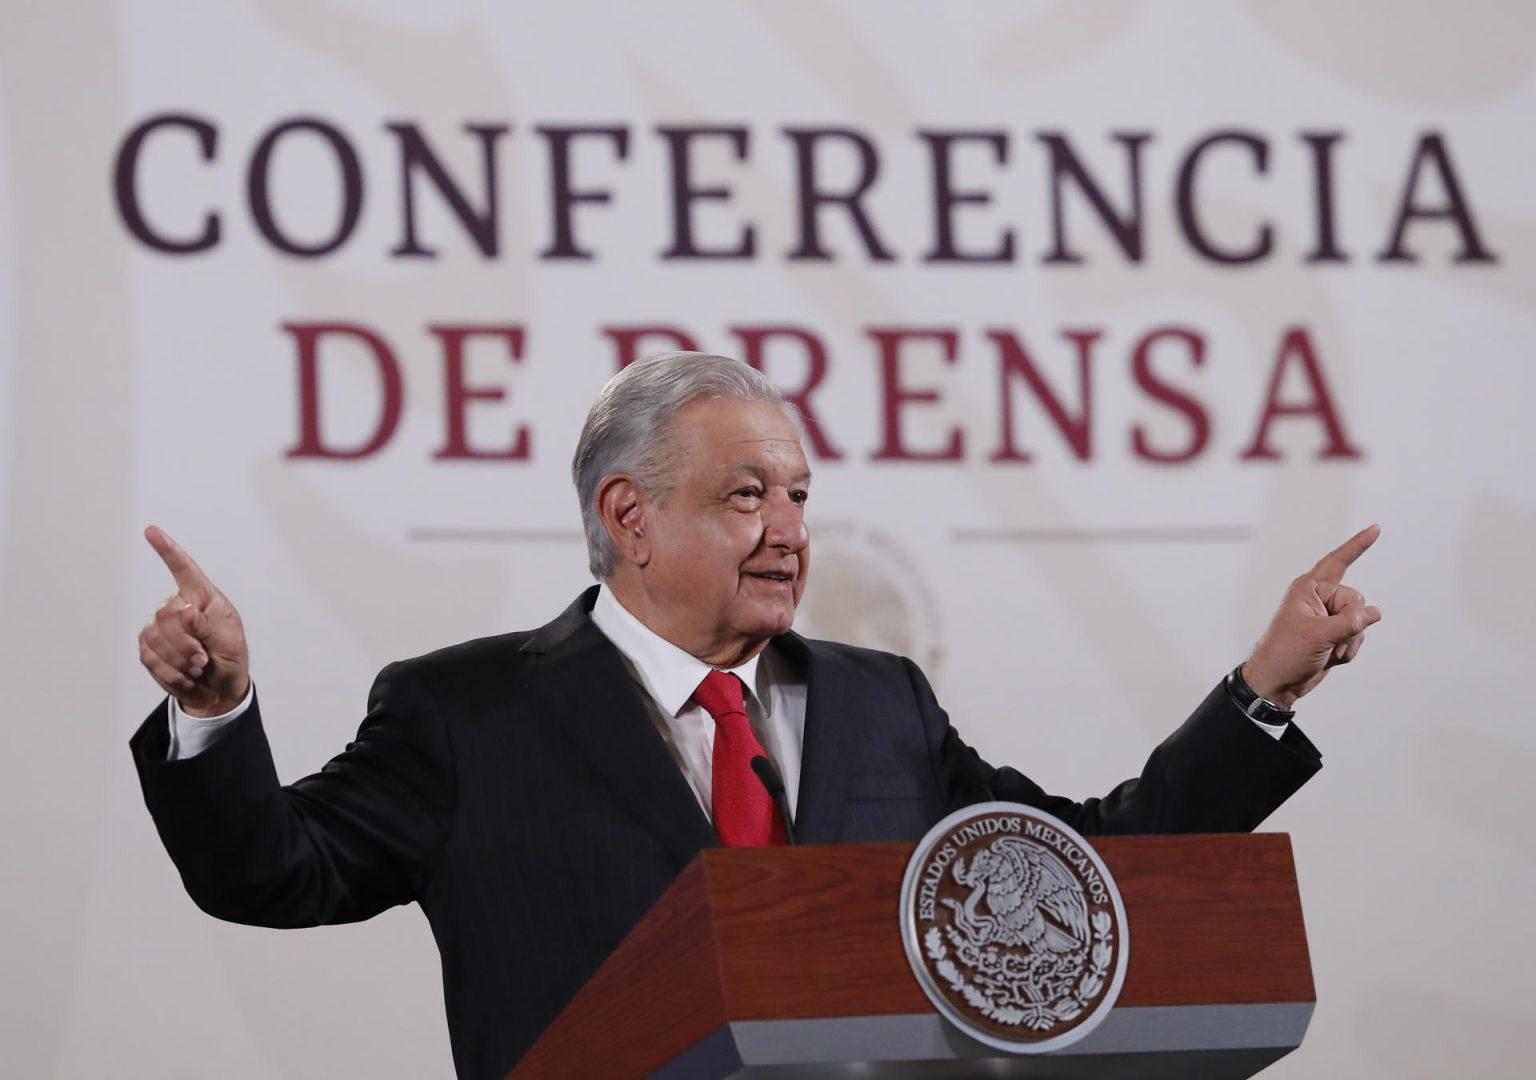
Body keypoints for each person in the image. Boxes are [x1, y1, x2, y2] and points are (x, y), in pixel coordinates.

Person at [131, 352, 1381, 1080]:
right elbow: (274, 873)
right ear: (630, 519)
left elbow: (1080, 878)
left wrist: (1258, 694)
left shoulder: (880, 701)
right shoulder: (466, 712)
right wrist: (219, 710)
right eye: (745, 495)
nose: (788, 529)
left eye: (796, 493)